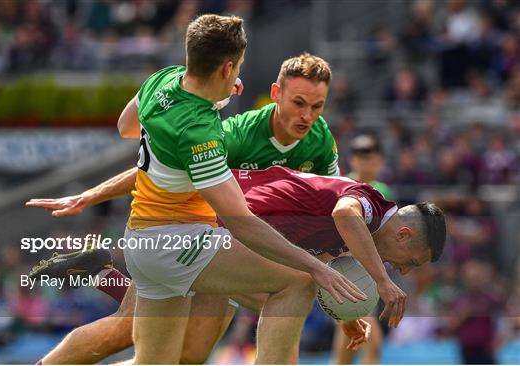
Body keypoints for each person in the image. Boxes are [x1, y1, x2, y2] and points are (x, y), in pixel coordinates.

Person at [29, 14, 369, 364]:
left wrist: (209, 101)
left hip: (150, 237)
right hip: (184, 242)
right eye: (236, 70)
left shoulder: (162, 81)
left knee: (177, 358)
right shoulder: (205, 133)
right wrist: (318, 269)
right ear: (227, 68)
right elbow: (242, 222)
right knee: (297, 282)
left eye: (316, 106)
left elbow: (126, 126)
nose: (307, 114)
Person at [27, 166, 446, 364]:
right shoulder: (370, 204)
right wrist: (381, 282)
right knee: (297, 284)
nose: (403, 271)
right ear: (406, 235)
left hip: (210, 238)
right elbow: (344, 215)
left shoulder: (356, 233)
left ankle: (100, 271)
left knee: (180, 355)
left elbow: (314, 259)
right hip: (204, 226)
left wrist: (343, 315)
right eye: (411, 263)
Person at [334, 134, 393, 364]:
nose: (366, 163)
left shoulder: (384, 191)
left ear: (379, 161)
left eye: (371, 158)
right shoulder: (343, 187)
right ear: (353, 160)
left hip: (369, 275)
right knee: (371, 340)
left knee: (348, 347)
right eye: (361, 157)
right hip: (344, 273)